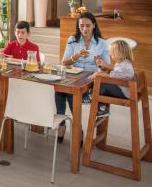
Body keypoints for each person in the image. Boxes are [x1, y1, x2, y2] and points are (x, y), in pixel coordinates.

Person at [56, 12, 110, 142]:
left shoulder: (102, 43)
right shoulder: (72, 40)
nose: (84, 29)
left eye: (87, 26)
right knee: (59, 89)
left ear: (94, 26)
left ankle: (76, 127)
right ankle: (62, 124)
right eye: (81, 26)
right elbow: (64, 62)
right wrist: (77, 56)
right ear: (78, 26)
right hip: (73, 74)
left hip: (90, 77)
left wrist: (100, 63)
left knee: (69, 93)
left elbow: (107, 68)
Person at [91, 40, 135, 118]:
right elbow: (114, 69)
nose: (111, 55)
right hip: (124, 89)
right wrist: (102, 65)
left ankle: (101, 108)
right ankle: (101, 106)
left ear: (119, 53)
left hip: (124, 93)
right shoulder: (124, 63)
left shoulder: (125, 66)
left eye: (112, 53)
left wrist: (98, 74)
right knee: (102, 86)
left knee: (101, 85)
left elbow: (110, 75)